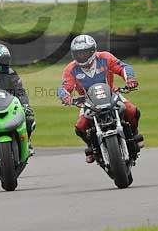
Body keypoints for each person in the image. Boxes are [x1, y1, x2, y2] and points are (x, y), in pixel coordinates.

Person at [57, 34, 143, 163]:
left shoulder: (105, 58)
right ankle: (91, 147)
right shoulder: (70, 69)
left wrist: (130, 79)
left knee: (131, 110)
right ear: (73, 54)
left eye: (85, 52)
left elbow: (123, 67)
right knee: (80, 127)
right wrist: (66, 97)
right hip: (87, 101)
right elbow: (64, 87)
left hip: (111, 95)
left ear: (93, 50)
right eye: (78, 53)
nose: (82, 56)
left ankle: (134, 134)